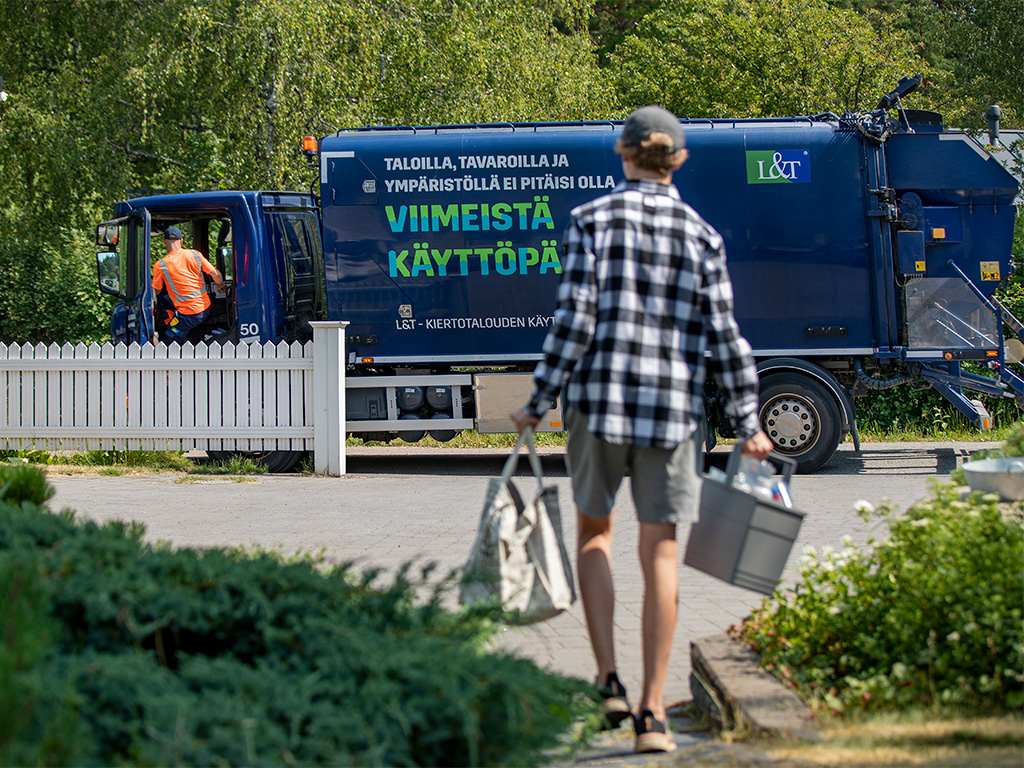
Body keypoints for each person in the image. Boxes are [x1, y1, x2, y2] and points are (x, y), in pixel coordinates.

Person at [510, 105, 773, 754]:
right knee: (660, 552)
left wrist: (539, 398)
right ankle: (653, 716)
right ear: (678, 160)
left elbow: (574, 322)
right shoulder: (701, 234)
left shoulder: (590, 221)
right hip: (672, 412)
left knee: (594, 534)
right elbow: (725, 338)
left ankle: (607, 683)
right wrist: (748, 421)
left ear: (621, 153)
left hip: (597, 405)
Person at [152, 225, 225, 344]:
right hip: (205, 307)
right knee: (164, 300)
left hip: (188, 315)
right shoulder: (194, 254)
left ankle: (190, 351)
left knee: (168, 339)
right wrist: (220, 285)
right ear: (181, 241)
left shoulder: (160, 265)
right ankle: (173, 323)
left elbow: (157, 291)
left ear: (164, 241)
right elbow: (216, 274)